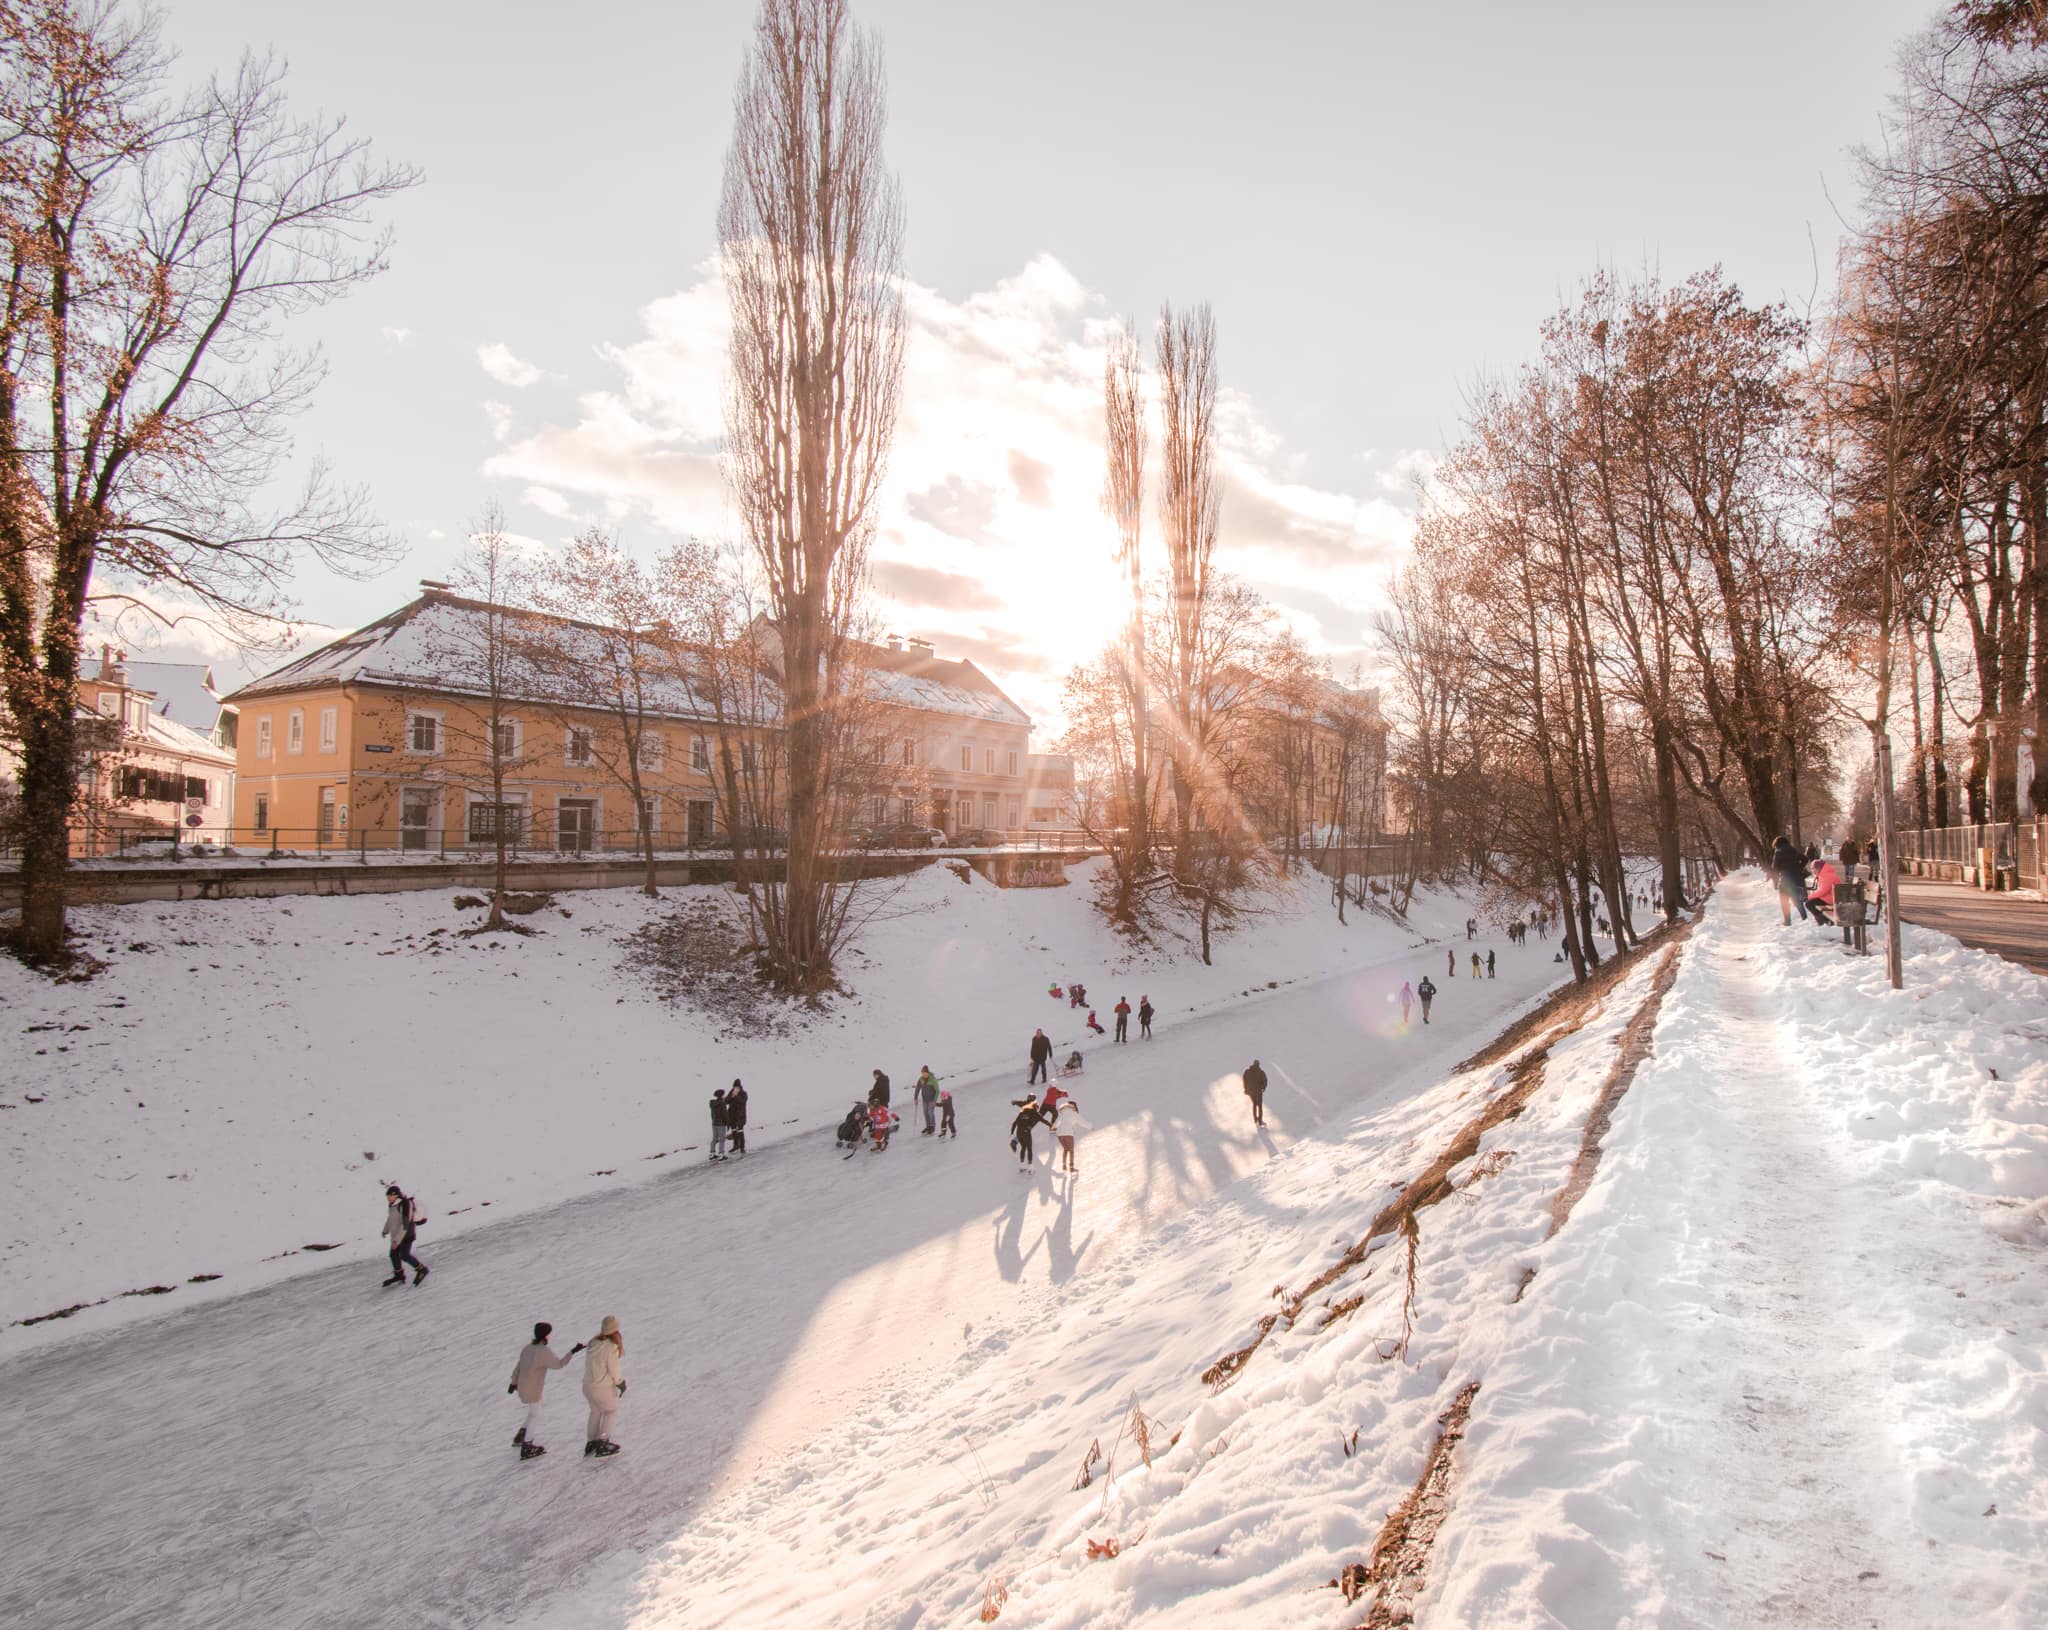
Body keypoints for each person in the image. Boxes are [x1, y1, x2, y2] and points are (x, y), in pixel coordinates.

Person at [508, 1322, 584, 1461]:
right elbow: (559, 1364)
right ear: (545, 1335)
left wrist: (513, 1382)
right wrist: (573, 1351)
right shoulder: (543, 1351)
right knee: (535, 1414)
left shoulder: (527, 1348)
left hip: (523, 1386)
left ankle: (521, 1436)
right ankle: (527, 1445)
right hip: (533, 1389)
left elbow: (518, 1366)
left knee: (533, 1412)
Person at [581, 1315, 625, 1458]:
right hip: (603, 1387)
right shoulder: (611, 1347)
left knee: (595, 1411)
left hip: (588, 1386)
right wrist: (620, 1382)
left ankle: (592, 1441)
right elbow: (614, 1369)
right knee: (610, 1411)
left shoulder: (593, 1343)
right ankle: (603, 1442)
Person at [381, 1184, 428, 1287]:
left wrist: (396, 1241)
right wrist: (385, 1230)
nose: (388, 1198)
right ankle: (399, 1275)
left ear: (396, 1195)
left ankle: (422, 1269)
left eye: (389, 1196)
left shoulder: (405, 1204)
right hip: (396, 1235)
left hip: (406, 1234)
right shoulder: (392, 1205)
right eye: (387, 1197)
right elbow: (391, 1219)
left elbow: (405, 1225)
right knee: (393, 1255)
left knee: (404, 1255)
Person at [1771, 835, 1809, 926]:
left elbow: (1774, 868)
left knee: (1784, 901)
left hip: (1785, 880)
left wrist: (1776, 881)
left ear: (1777, 844)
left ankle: (1787, 921)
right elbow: (1805, 858)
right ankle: (1805, 918)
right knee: (1796, 900)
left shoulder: (1778, 852)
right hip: (1796, 879)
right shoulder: (1793, 850)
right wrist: (1798, 868)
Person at [1010, 1096, 1047, 1170]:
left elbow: (1020, 1103)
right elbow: (1041, 1118)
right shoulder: (1032, 1106)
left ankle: (1015, 1142)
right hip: (1028, 1124)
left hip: (1022, 1125)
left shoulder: (1025, 1103)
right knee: (1028, 1146)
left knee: (1022, 1135)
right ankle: (1030, 1167)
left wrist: (1014, 1102)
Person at [1054, 1100, 1089, 1173]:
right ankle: (1071, 1167)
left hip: (1060, 1133)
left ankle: (1064, 1166)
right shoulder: (1074, 1113)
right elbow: (1083, 1122)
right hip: (1068, 1133)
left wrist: (1053, 1127)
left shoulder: (1062, 1112)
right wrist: (1091, 1126)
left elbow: (1056, 1123)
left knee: (1066, 1149)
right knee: (1071, 1150)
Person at [1807, 854, 1841, 927]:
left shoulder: (1827, 876)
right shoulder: (1824, 875)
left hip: (1832, 899)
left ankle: (1826, 921)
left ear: (1819, 868)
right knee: (1810, 903)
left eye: (1814, 868)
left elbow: (1823, 891)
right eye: (1812, 869)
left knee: (1809, 903)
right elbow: (1822, 890)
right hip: (1829, 897)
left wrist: (1811, 895)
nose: (1813, 871)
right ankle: (1822, 920)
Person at [914, 1066, 941, 1135]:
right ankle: (928, 1126)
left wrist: (934, 1100)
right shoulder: (921, 1079)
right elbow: (917, 1088)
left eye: (925, 1073)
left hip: (931, 1100)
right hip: (925, 1099)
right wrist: (915, 1098)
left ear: (928, 1072)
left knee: (930, 1113)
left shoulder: (933, 1080)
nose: (923, 1074)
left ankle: (932, 1127)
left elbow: (937, 1091)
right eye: (922, 1073)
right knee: (925, 1113)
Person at [1242, 1060, 1268, 1128]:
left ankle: (1255, 1119)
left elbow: (1244, 1079)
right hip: (1258, 1091)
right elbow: (1265, 1080)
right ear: (1259, 1064)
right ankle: (1260, 1121)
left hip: (1251, 1092)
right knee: (1259, 1106)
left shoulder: (1247, 1071)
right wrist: (1263, 1088)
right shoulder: (1261, 1072)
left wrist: (1246, 1089)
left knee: (1254, 1104)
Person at [726, 1079, 749, 1156]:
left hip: (740, 1115)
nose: (735, 1088)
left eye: (737, 1087)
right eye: (734, 1087)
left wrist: (737, 1096)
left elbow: (743, 1102)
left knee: (740, 1131)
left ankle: (742, 1147)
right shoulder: (731, 1092)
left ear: (739, 1087)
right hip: (732, 1115)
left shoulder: (743, 1093)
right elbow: (726, 1101)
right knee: (733, 1130)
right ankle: (736, 1145)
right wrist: (732, 1096)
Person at [708, 1087, 729, 1162]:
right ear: (721, 1095)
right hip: (721, 1124)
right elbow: (725, 1115)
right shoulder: (722, 1104)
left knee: (714, 1138)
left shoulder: (713, 1104)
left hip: (714, 1123)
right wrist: (727, 1123)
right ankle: (721, 1154)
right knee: (722, 1139)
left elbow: (712, 1115)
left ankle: (712, 1153)